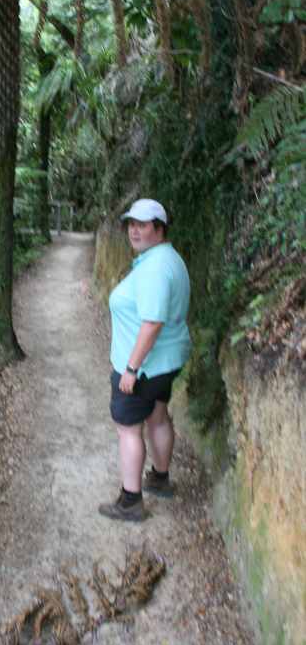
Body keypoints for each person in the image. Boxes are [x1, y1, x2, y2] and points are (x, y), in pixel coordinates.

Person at [98, 198, 191, 522]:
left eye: (143, 224)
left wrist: (131, 369)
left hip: (145, 368)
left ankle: (130, 501)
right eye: (131, 225)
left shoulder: (154, 268)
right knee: (158, 417)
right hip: (167, 361)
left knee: (128, 430)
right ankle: (160, 478)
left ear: (159, 228)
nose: (134, 231)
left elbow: (152, 323)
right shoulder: (168, 259)